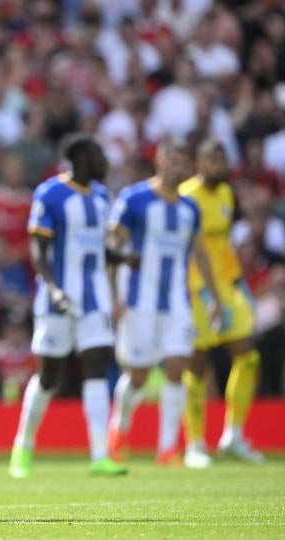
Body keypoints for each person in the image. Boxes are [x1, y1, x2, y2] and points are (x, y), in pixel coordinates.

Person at [8, 134, 128, 478]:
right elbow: (38, 249)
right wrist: (54, 288)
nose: (104, 161)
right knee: (49, 376)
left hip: (96, 298)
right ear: (80, 158)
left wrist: (123, 258)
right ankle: (23, 447)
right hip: (58, 299)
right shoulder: (51, 194)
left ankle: (100, 455)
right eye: (99, 154)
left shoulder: (104, 197)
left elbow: (97, 248)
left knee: (96, 367)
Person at [106, 140, 223, 466]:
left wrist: (214, 297)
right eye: (171, 159)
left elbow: (200, 253)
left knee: (177, 369)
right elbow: (114, 245)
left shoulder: (190, 208)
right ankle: (119, 430)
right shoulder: (134, 199)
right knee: (139, 375)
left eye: (182, 161)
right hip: (138, 301)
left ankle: (168, 447)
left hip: (177, 302)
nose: (177, 166)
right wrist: (113, 294)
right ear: (159, 159)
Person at [178, 140, 265, 467]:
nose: (217, 165)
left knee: (249, 356)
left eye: (221, 159)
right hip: (195, 289)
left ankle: (233, 435)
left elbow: (223, 245)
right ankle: (195, 443)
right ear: (198, 162)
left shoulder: (226, 194)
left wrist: (240, 283)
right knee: (197, 365)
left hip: (226, 289)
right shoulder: (187, 196)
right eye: (211, 159)